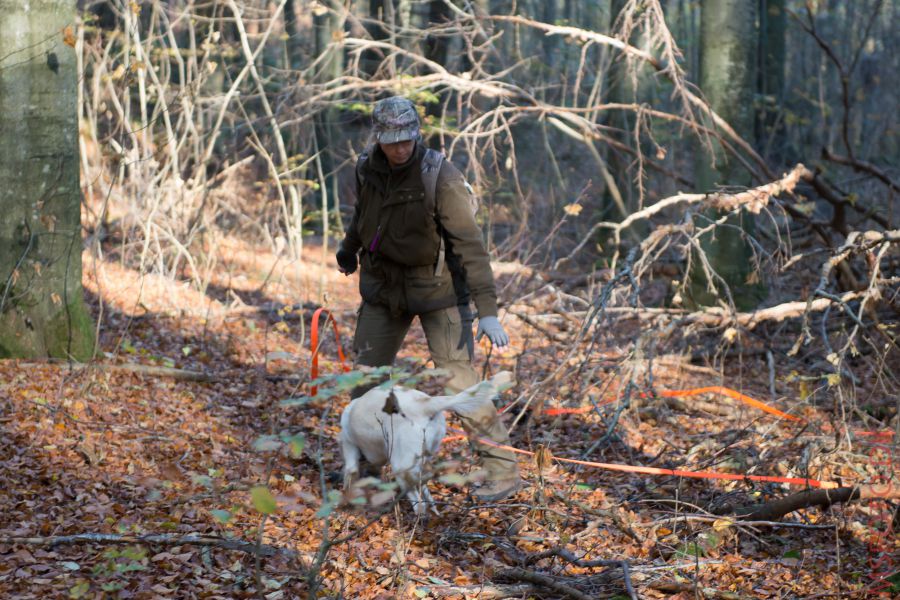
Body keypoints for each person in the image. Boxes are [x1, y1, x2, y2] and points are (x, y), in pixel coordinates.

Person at [334, 96, 520, 502]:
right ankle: (369, 470)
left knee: (459, 380)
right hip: (384, 290)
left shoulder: (441, 176)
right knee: (366, 379)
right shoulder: (367, 168)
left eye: (407, 138)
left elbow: (471, 247)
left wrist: (488, 313)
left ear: (417, 134)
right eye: (392, 139)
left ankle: (502, 472)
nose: (400, 147)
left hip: (440, 293)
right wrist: (349, 248)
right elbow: (364, 216)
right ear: (379, 138)